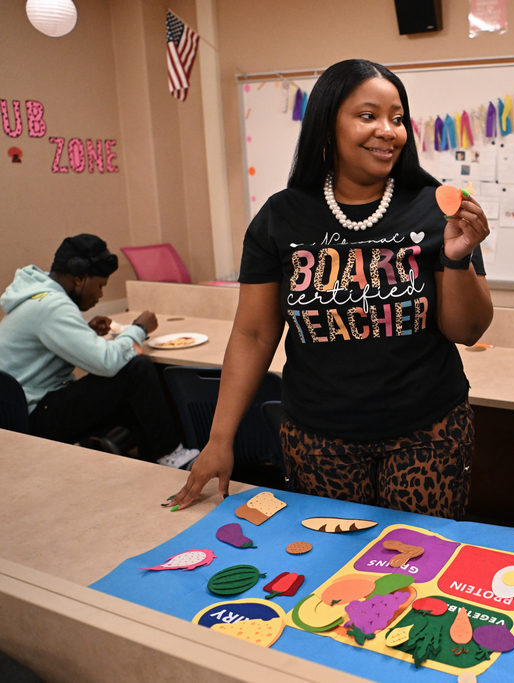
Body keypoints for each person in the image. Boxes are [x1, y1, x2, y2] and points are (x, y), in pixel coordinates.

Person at [168, 59, 492, 518]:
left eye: (397, 118)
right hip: (318, 439)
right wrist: (219, 439)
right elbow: (254, 335)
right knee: (329, 571)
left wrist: (456, 260)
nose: (387, 130)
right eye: (368, 115)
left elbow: (469, 330)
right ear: (326, 125)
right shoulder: (280, 218)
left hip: (428, 433)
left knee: (418, 564)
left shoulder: (435, 208)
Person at [0, 234, 200, 468]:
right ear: (80, 278)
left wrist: (85, 331)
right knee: (136, 370)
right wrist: (139, 328)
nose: (100, 295)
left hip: (20, 411)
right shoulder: (53, 306)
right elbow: (106, 362)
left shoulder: (39, 296)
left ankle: (154, 462)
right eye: (100, 286)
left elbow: (49, 344)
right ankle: (169, 454)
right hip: (33, 417)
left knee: (134, 396)